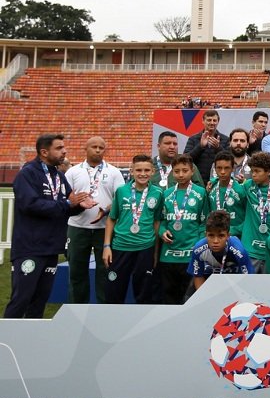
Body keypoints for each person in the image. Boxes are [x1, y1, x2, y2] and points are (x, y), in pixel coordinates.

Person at [5, 134, 95, 318]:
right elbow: (31, 205)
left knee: (40, 300)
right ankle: (6, 341)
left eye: (64, 147)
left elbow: (65, 207)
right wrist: (68, 204)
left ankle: (32, 341)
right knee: (22, 298)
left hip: (51, 249)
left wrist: (79, 206)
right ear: (44, 152)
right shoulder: (27, 173)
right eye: (59, 148)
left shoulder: (59, 176)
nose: (65, 151)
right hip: (29, 248)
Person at [64, 136, 125, 304]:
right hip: (77, 227)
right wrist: (77, 202)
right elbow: (65, 197)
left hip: (104, 229)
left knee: (105, 271)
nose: (98, 150)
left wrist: (105, 210)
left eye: (101, 147)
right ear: (86, 148)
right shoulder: (73, 172)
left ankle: (103, 310)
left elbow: (121, 199)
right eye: (94, 147)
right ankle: (77, 309)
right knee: (77, 271)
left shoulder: (114, 172)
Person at [103, 155, 163, 304]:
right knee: (114, 292)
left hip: (145, 248)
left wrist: (155, 252)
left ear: (153, 171)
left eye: (147, 170)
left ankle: (142, 324)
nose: (143, 173)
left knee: (144, 294)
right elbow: (111, 219)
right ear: (131, 171)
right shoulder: (121, 191)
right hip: (120, 247)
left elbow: (156, 222)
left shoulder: (158, 193)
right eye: (139, 170)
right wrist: (106, 246)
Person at [158, 154, 207, 305]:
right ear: (172, 172)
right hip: (168, 255)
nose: (180, 174)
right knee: (169, 298)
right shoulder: (166, 194)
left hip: (191, 255)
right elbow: (161, 221)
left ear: (192, 171)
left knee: (190, 298)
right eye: (177, 171)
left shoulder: (201, 193)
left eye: (184, 170)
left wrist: (198, 245)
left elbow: (204, 221)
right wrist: (162, 232)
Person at [241, 152, 270, 273]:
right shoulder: (247, 186)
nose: (253, 175)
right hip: (250, 248)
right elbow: (230, 187)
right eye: (252, 171)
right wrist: (214, 182)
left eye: (257, 171)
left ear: (268, 171)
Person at [187, 210, 254, 293]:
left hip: (234, 281)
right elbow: (198, 277)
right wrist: (205, 299)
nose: (215, 241)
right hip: (208, 278)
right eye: (211, 235)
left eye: (221, 236)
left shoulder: (239, 252)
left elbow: (247, 280)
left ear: (228, 236)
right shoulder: (198, 250)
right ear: (205, 235)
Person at [207, 151, 247, 237]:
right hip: (215, 236)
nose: (222, 172)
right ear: (215, 168)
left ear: (233, 168)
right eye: (219, 168)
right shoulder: (210, 189)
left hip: (236, 237)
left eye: (227, 168)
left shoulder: (241, 190)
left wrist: (234, 230)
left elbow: (249, 217)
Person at [184, 110, 229, 183]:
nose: (212, 123)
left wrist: (218, 148)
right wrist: (200, 146)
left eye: (214, 120)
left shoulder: (225, 139)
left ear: (218, 122)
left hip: (218, 182)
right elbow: (186, 160)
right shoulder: (193, 139)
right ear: (203, 121)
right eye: (209, 120)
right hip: (197, 182)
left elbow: (230, 160)